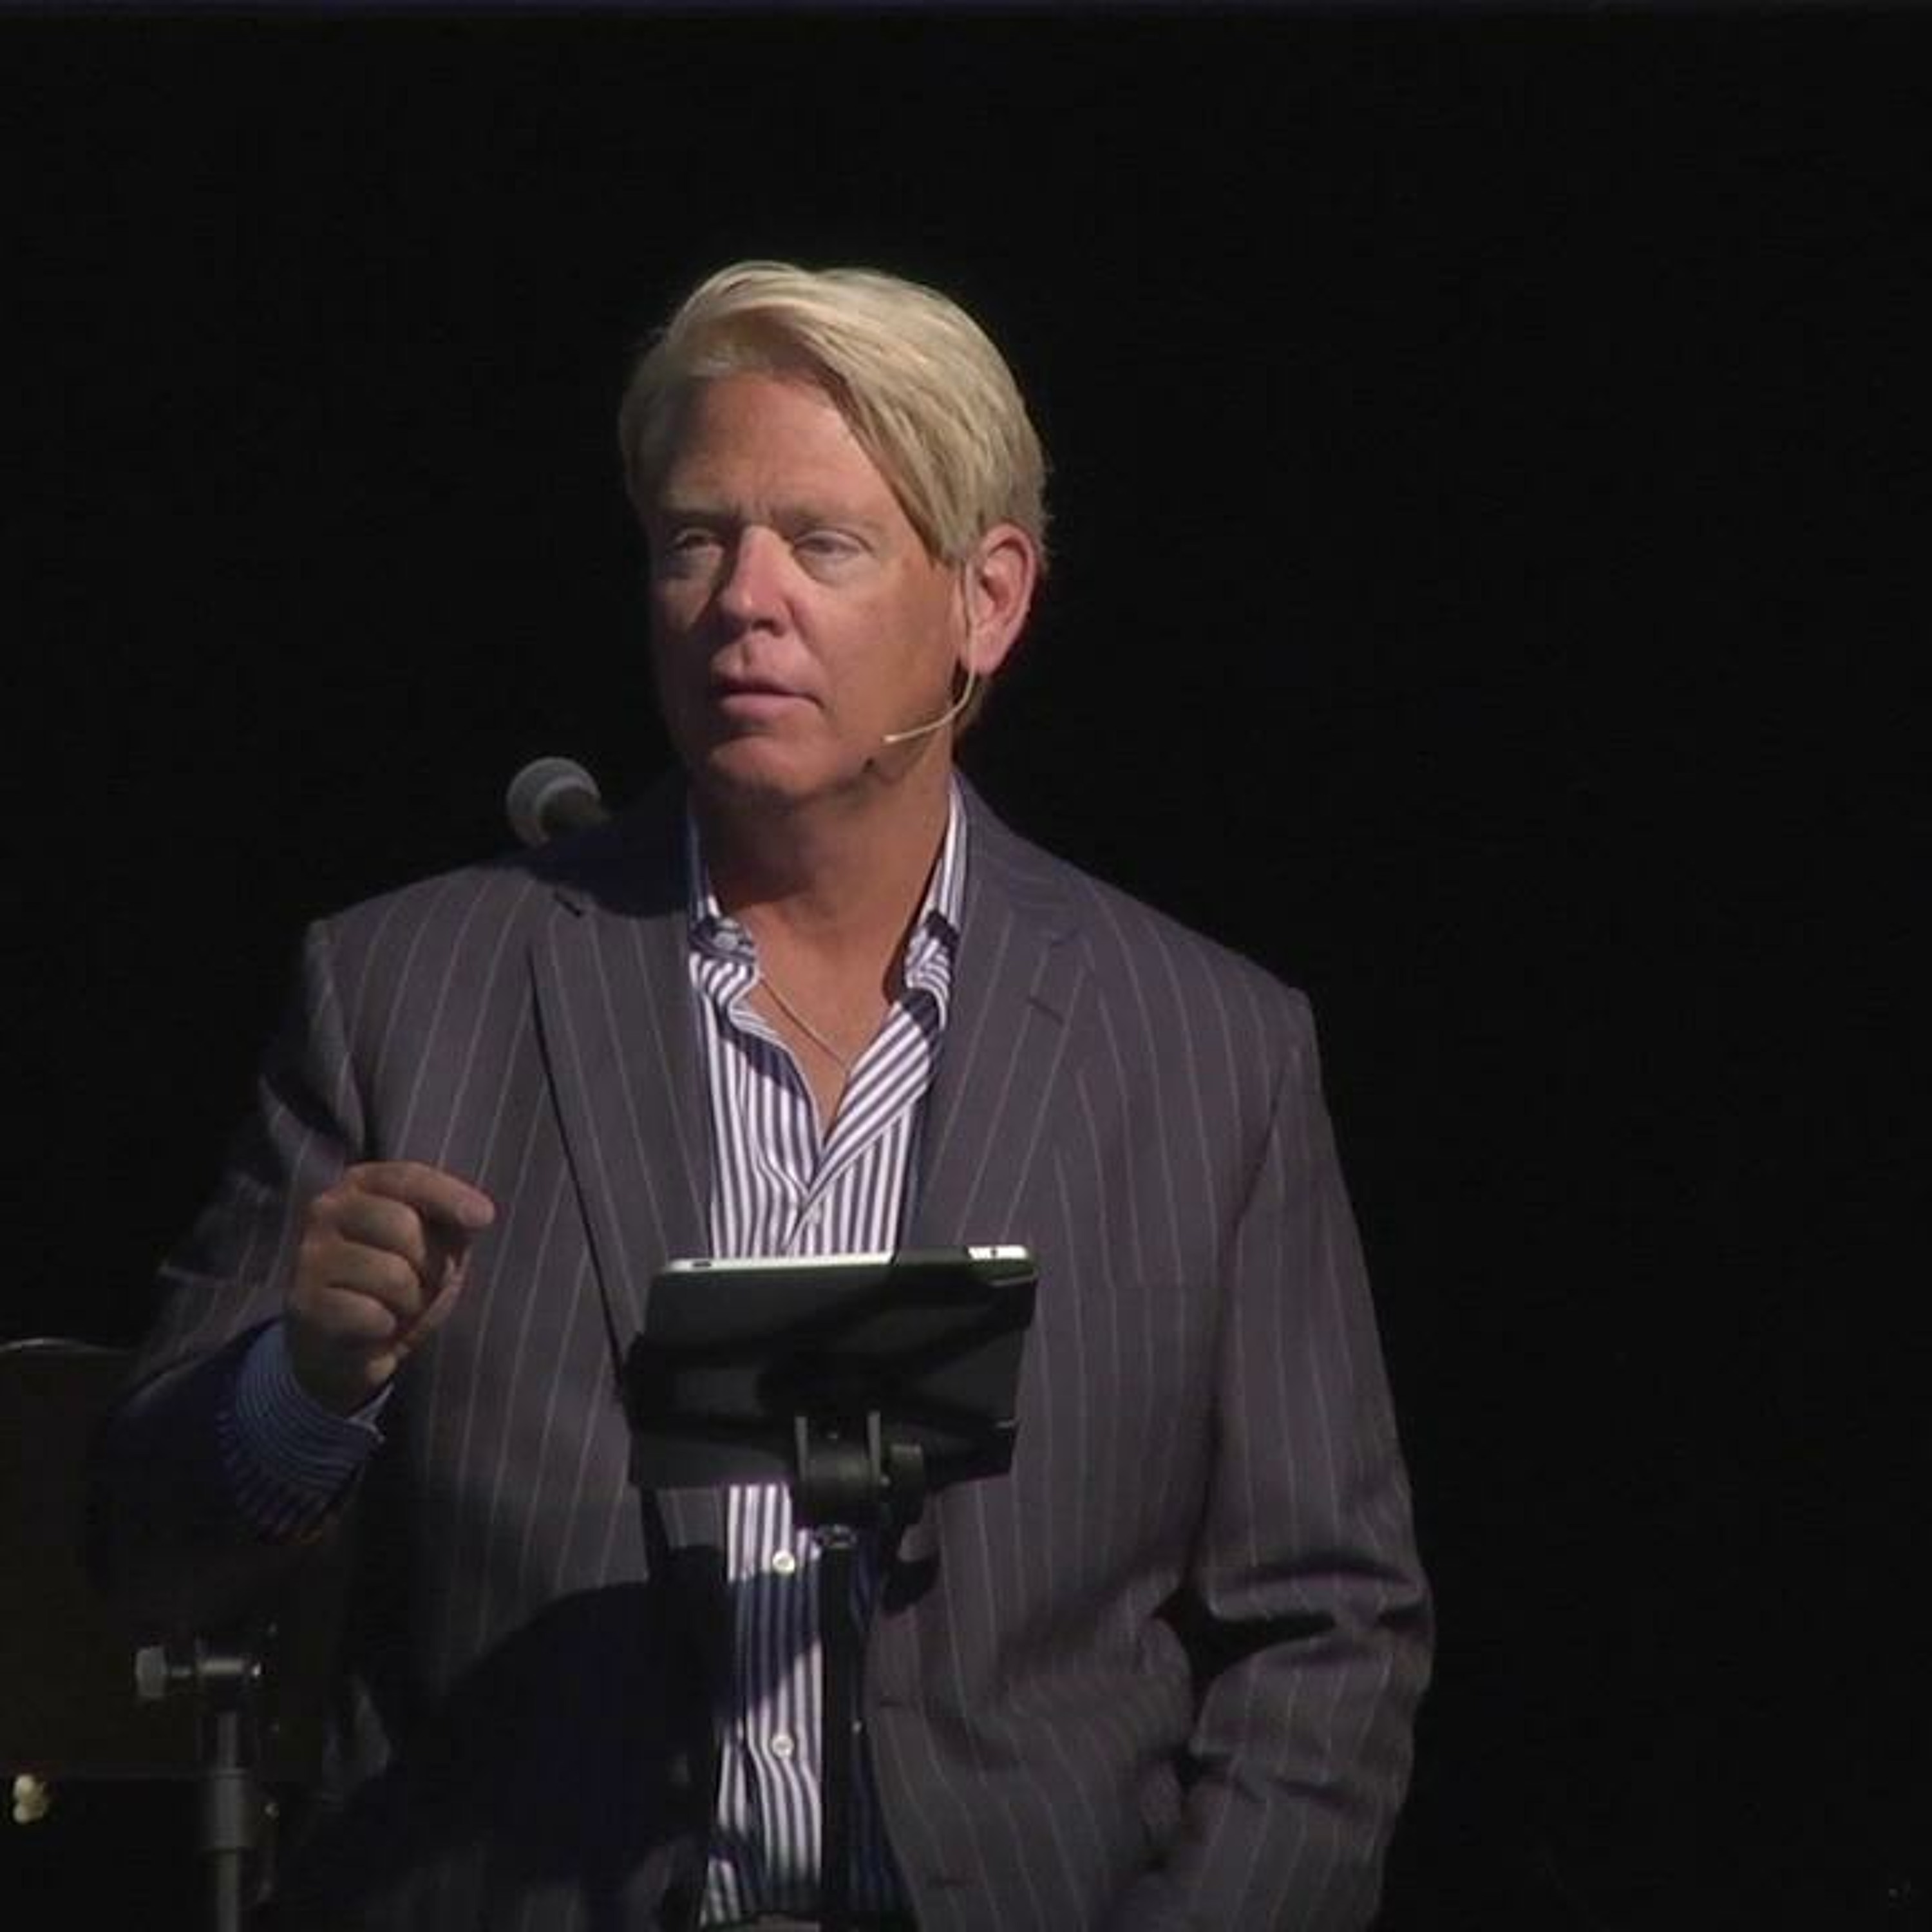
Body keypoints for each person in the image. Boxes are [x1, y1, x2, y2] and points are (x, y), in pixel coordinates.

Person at [95, 261, 1431, 1931]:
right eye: (694, 541)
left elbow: (1327, 1631)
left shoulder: (1207, 1051)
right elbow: (145, 1549)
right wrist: (307, 1388)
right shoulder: (408, 997)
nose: (744, 598)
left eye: (823, 542)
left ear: (987, 601)